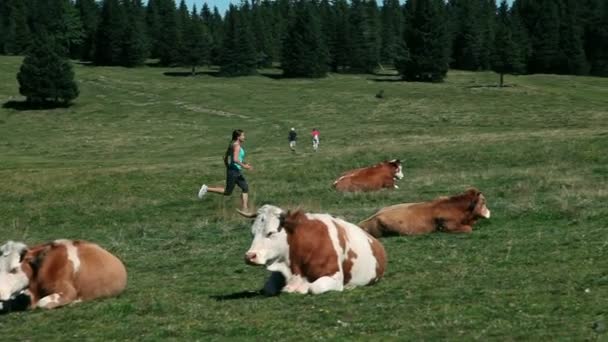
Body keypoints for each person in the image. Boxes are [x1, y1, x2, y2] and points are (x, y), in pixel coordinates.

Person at [198, 129, 252, 212]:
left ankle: (245, 208)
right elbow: (235, 159)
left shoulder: (232, 144)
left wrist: (228, 166)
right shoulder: (236, 146)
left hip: (234, 170)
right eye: (243, 135)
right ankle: (206, 188)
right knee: (227, 192)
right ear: (238, 137)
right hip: (234, 171)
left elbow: (225, 157)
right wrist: (245, 166)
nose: (244, 137)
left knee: (245, 188)